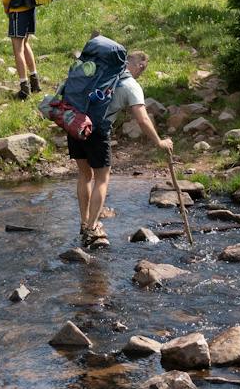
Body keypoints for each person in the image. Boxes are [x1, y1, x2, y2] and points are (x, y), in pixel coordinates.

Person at [70, 48, 172, 249]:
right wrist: (160, 142)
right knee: (102, 179)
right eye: (143, 69)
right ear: (140, 65)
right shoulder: (131, 85)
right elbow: (142, 119)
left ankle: (84, 224)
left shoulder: (100, 73)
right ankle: (91, 228)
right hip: (97, 132)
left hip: (75, 124)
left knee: (84, 175)